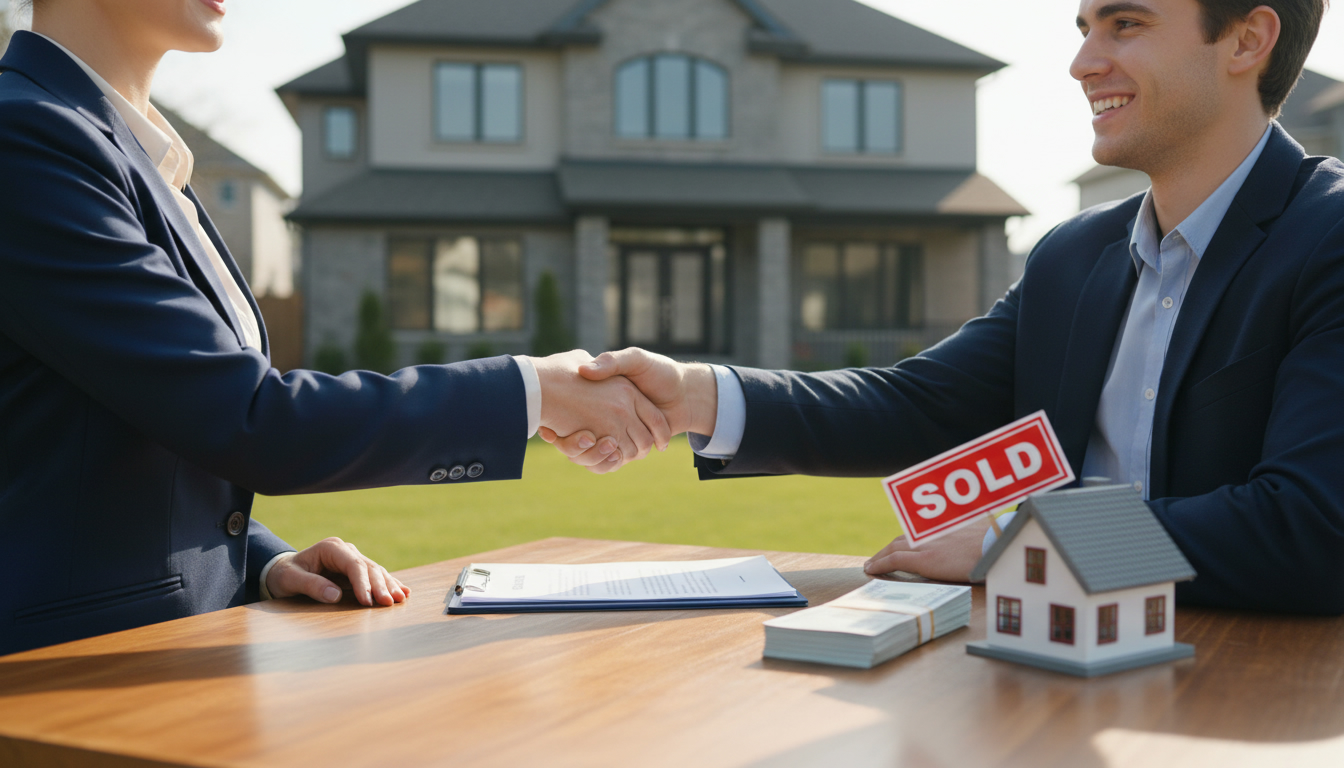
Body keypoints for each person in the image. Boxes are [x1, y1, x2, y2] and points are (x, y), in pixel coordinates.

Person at [550, 0, 1344, 614]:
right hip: (1040, 676)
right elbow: (916, 404)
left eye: (1125, 25)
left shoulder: (1329, 238)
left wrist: (1017, 541)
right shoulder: (1073, 258)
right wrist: (692, 393)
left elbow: (1313, 530)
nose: (1082, 61)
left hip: (1244, 696)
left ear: (1247, 40)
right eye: (1083, 27)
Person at [0, 0, 668, 655]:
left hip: (171, 663)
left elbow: (137, 430)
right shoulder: (26, 139)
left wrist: (261, 560)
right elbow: (246, 416)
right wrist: (533, 391)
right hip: (55, 679)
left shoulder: (136, 154)